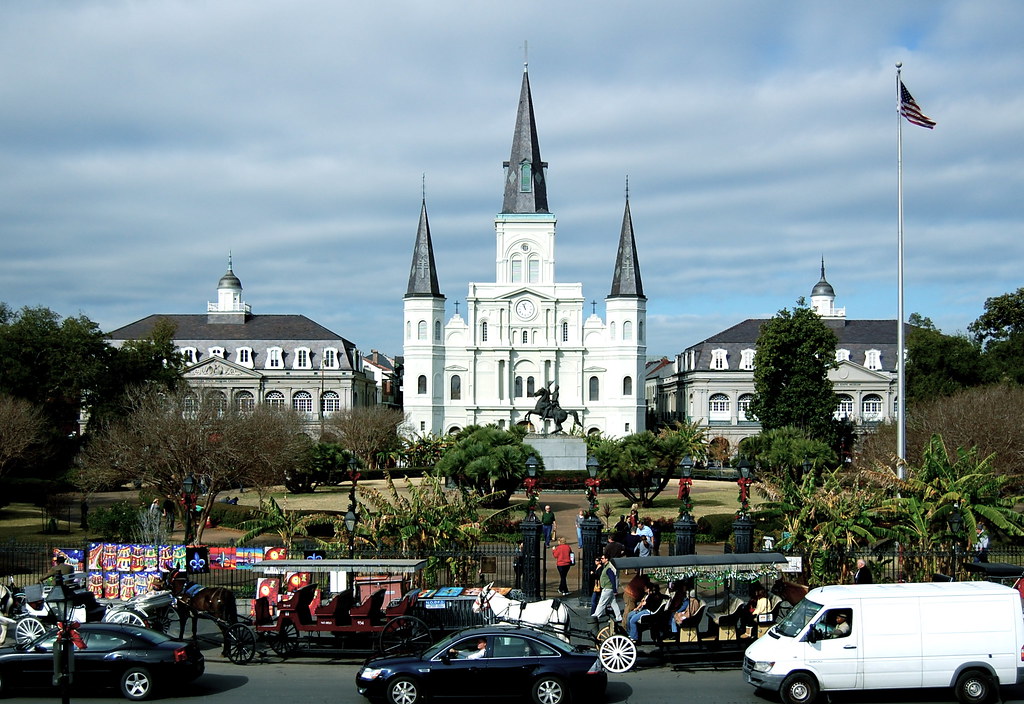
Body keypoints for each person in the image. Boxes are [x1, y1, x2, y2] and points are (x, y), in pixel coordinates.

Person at [590, 554, 622, 622]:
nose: (601, 559)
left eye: (602, 558)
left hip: (607, 588)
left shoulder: (608, 568)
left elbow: (612, 579)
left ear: (606, 559)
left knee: (601, 603)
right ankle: (619, 617)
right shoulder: (606, 567)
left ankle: (596, 616)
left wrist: (614, 589)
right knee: (613, 603)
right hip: (609, 588)